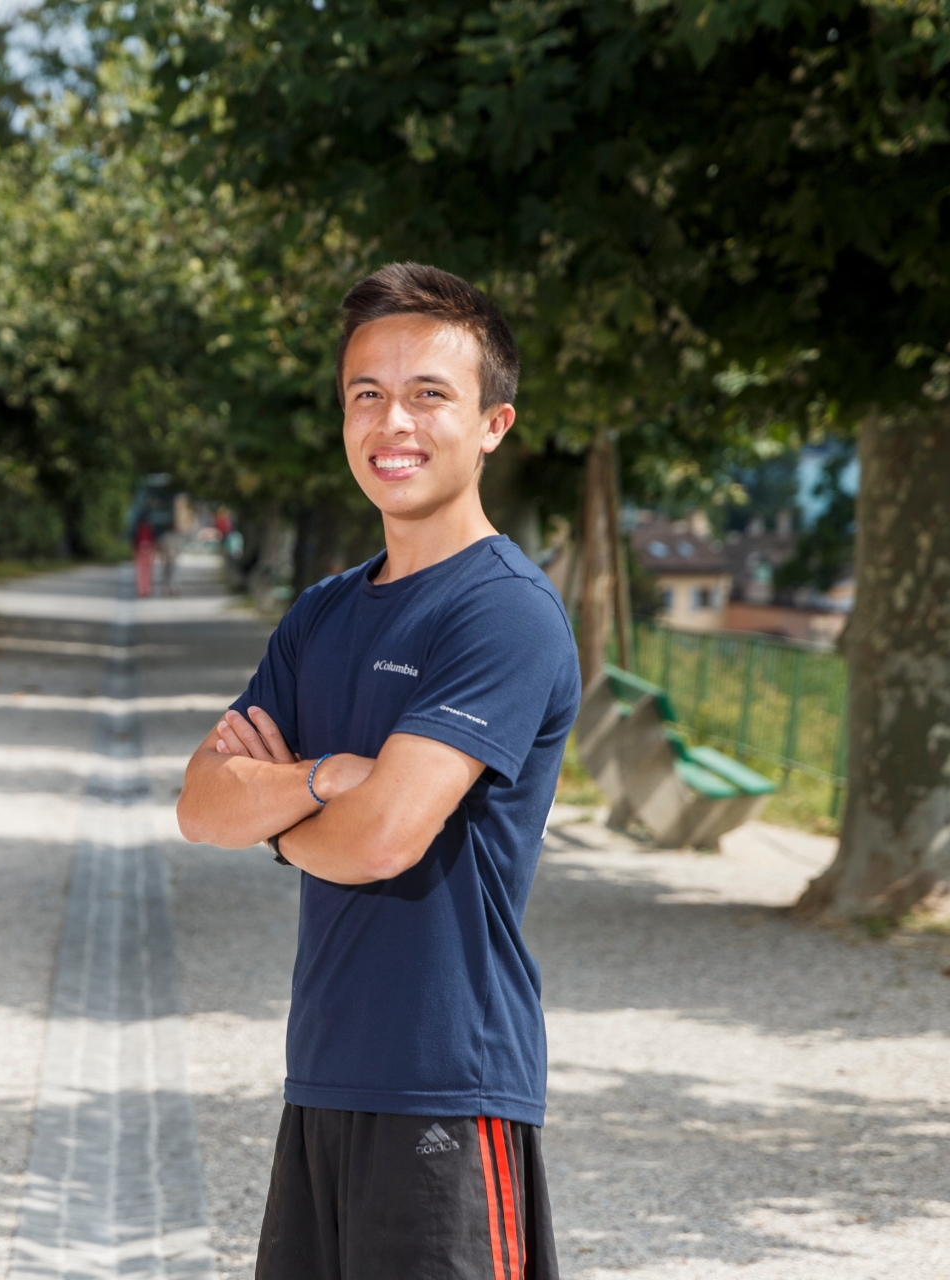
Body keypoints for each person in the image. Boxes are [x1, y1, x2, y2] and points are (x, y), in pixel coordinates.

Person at [177, 262, 579, 1279]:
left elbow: (387, 834)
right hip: (323, 1071)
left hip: (450, 1082)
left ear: (494, 422)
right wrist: (323, 781)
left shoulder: (504, 610)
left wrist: (277, 809)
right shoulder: (324, 612)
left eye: (429, 394)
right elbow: (198, 801)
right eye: (368, 394)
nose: (392, 422)